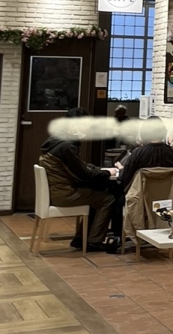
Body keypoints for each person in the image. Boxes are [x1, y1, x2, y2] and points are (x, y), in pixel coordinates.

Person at [38, 108, 124, 252]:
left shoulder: (56, 141)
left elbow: (79, 166)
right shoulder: (66, 146)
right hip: (65, 194)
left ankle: (81, 239)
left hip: (57, 191)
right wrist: (106, 173)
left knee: (96, 194)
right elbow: (83, 173)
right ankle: (94, 241)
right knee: (107, 199)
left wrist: (98, 170)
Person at [116, 117, 173, 195]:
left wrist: (121, 169)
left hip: (140, 198)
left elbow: (125, 180)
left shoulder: (138, 153)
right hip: (166, 197)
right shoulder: (171, 152)